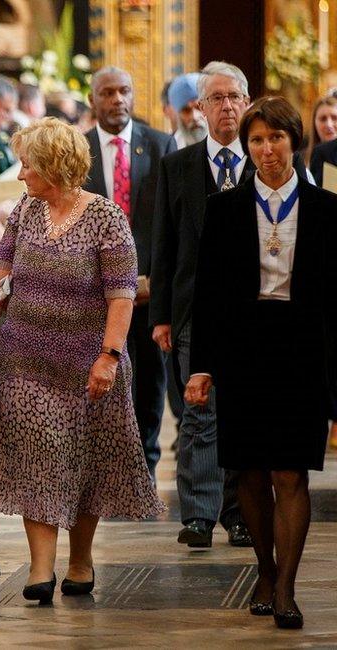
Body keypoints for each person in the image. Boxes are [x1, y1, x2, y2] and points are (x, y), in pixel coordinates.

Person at [0, 117, 164, 605]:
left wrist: (109, 356)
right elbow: (1, 267)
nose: (20, 175)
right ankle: (41, 568)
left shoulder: (106, 217)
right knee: (37, 460)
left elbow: (122, 296)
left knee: (84, 464)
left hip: (88, 365)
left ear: (51, 164)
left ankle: (80, 558)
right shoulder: (25, 209)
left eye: (26, 164)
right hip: (25, 361)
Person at [185, 96, 337, 630]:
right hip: (244, 348)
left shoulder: (326, 210)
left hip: (303, 349)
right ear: (246, 148)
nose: (267, 150)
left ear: (294, 142)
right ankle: (265, 570)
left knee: (291, 471)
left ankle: (290, 588)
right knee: (249, 470)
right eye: (256, 140)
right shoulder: (225, 208)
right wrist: (202, 367)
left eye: (276, 138)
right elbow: (207, 296)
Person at [151, 61, 255, 550]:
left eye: (234, 96)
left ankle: (239, 513)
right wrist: (162, 317)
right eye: (216, 98)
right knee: (199, 413)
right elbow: (164, 247)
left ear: (246, 104)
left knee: (243, 413)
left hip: (254, 311)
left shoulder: (264, 163)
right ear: (201, 108)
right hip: (194, 309)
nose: (226, 106)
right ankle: (197, 515)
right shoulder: (179, 166)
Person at [82, 66, 176, 479]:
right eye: (107, 92)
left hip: (149, 286)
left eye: (124, 91)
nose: (117, 99)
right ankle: (110, 467)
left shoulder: (159, 144)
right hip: (95, 289)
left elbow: (168, 217)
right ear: (93, 100)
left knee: (151, 379)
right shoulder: (78, 149)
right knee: (105, 377)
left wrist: (154, 277)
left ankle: (147, 466)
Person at [166, 73, 207, 150]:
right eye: (186, 111)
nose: (194, 117)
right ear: (178, 116)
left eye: (199, 107)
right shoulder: (171, 149)